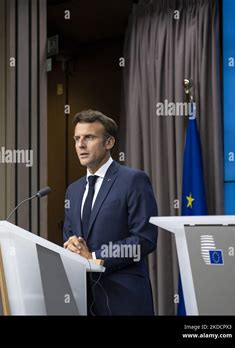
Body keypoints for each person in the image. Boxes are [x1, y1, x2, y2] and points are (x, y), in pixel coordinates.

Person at [63, 110, 158, 315]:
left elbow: (145, 239)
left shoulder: (133, 180)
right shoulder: (73, 190)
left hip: (124, 299)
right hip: (82, 299)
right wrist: (70, 247)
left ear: (109, 143)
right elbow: (70, 238)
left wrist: (95, 256)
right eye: (77, 138)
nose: (80, 144)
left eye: (89, 137)